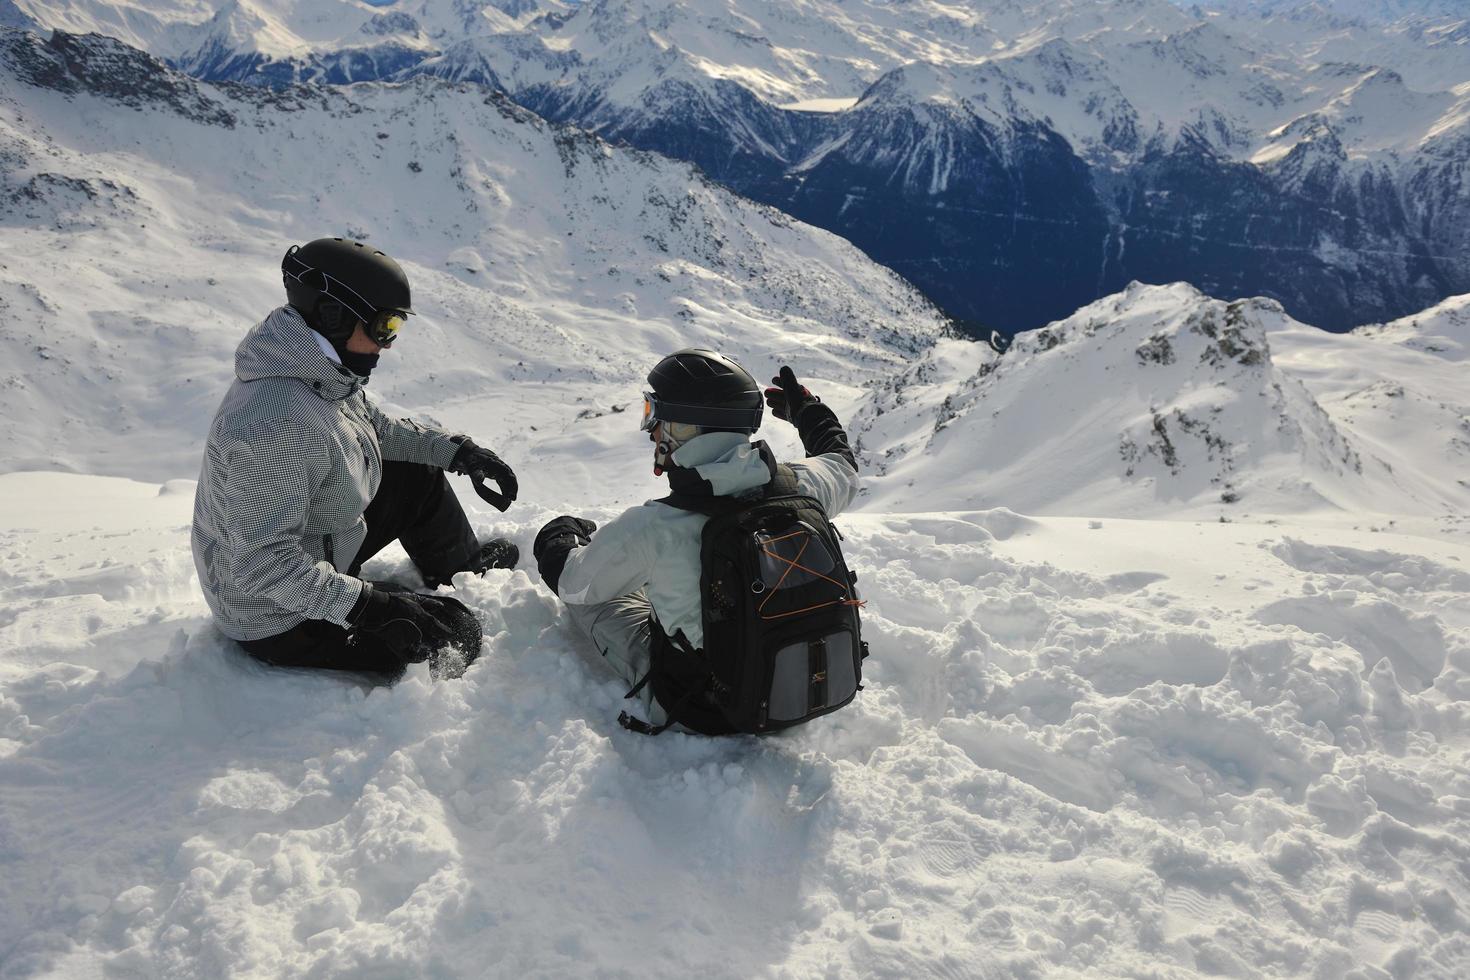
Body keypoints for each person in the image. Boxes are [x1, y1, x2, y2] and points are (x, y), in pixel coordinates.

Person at [192, 237, 520, 678]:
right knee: (457, 631)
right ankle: (361, 603)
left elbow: (376, 430)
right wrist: (369, 605)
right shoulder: (274, 425)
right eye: (385, 326)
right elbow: (260, 566)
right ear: (334, 316)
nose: (388, 344)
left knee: (416, 471)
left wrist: (462, 453)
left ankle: (459, 568)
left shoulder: (316, 370)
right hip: (275, 615)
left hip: (319, 544)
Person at [532, 348, 860, 730]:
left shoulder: (655, 525)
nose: (651, 428)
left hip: (703, 708)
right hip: (792, 679)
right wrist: (807, 411)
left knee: (601, 599)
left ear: (682, 427)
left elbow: (575, 584)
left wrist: (557, 536)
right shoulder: (802, 486)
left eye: (653, 414)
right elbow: (842, 465)